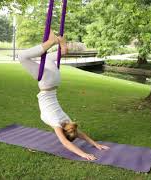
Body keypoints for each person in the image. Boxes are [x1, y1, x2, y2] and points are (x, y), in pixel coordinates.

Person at [17, 30, 110, 161]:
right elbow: (67, 142)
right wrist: (84, 153)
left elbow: (79, 135)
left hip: (55, 79)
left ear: (68, 130)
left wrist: (96, 144)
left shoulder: (66, 120)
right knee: (21, 57)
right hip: (47, 82)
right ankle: (52, 41)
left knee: (47, 57)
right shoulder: (59, 122)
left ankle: (62, 49)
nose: (74, 130)